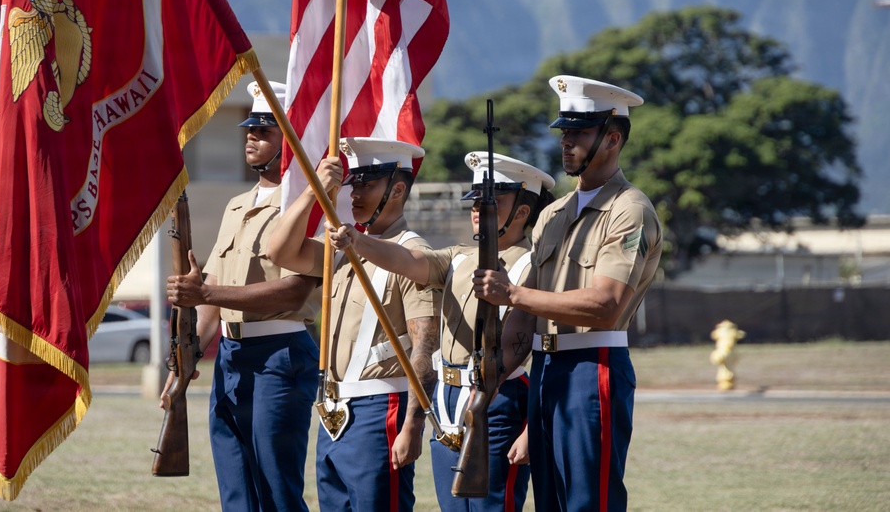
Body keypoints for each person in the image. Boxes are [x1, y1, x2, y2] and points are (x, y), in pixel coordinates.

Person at [471, 75, 663, 512]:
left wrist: (512, 295)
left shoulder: (628, 210)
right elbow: (527, 311)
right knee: (551, 503)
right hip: (545, 366)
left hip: (592, 368)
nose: (566, 142)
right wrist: (493, 372)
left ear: (613, 139)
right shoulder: (553, 213)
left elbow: (605, 305)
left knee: (587, 501)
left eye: (579, 132)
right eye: (564, 131)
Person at [326, 150, 556, 512]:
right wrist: (358, 241)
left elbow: (537, 350)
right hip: (447, 399)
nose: (477, 210)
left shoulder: (532, 265)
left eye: (490, 203)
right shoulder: (459, 257)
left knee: (491, 506)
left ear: (523, 212)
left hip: (498, 398)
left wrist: (531, 428)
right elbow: (410, 261)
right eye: (475, 202)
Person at [162, 81, 319, 512]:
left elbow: (294, 287)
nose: (251, 136)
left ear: (289, 140)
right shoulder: (236, 204)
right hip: (231, 356)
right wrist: (185, 361)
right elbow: (209, 292)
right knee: (236, 490)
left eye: (265, 130)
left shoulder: (308, 207)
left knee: (276, 489)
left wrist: (205, 289)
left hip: (279, 353)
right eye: (250, 128)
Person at [267, 137, 440, 512]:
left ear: (396, 189)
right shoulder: (344, 245)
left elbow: (425, 346)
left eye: (368, 184)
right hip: (335, 405)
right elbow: (278, 251)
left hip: (381, 405)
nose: (356, 193)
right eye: (354, 183)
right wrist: (314, 191)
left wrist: (414, 421)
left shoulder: (414, 254)